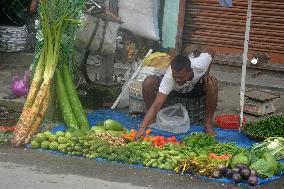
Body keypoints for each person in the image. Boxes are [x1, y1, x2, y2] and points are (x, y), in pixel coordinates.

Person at [134, 47, 218, 140]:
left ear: (190, 71)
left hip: (194, 88)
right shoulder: (169, 78)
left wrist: (206, 74)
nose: (178, 80)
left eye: (181, 77)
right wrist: (142, 128)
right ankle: (152, 119)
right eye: (175, 77)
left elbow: (211, 52)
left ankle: (207, 125)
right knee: (148, 82)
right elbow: (156, 105)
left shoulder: (199, 64)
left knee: (211, 83)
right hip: (174, 91)